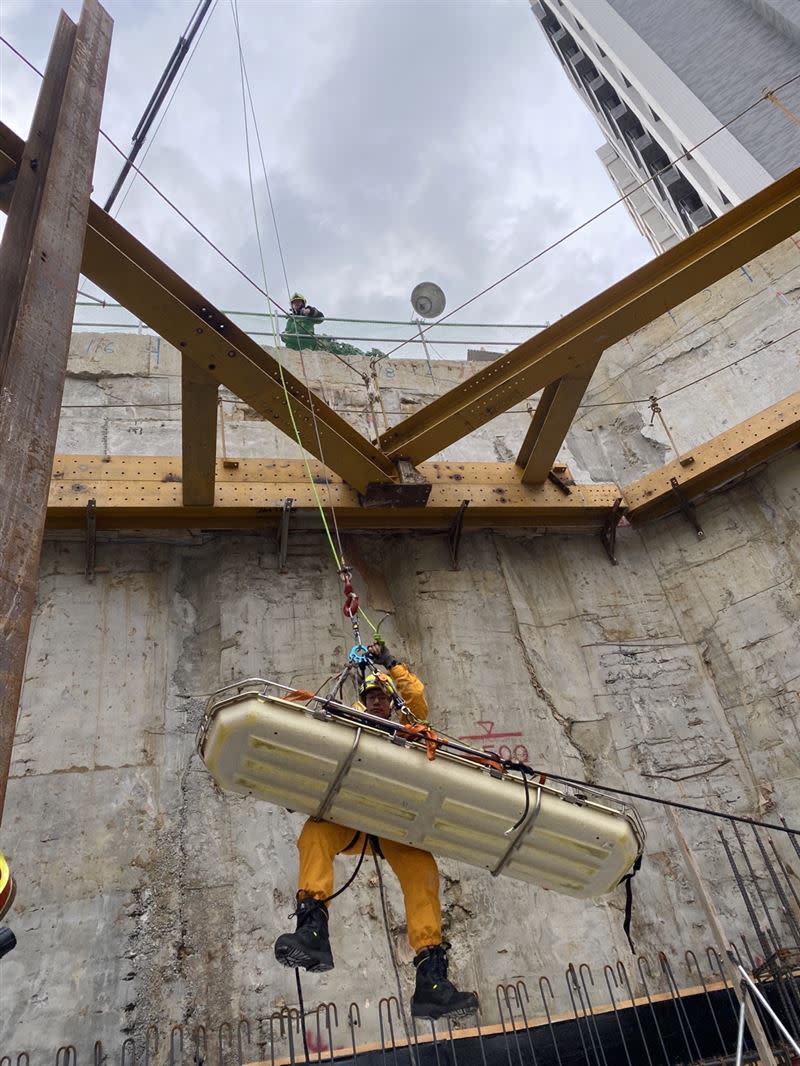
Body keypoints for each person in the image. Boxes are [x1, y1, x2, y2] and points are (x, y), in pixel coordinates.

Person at [275, 642, 479, 1020]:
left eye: (382, 695)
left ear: (390, 698)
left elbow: (415, 695)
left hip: (395, 824)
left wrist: (389, 663)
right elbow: (325, 727)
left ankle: (431, 980)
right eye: (369, 696)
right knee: (316, 833)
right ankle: (313, 931)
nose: (376, 702)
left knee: (421, 870)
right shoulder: (353, 718)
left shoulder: (408, 723)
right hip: (355, 815)